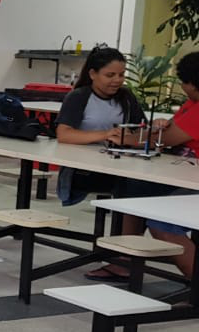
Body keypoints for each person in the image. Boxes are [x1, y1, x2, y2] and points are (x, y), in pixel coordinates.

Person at [53, 47, 157, 281]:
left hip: (120, 164)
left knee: (144, 186)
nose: (117, 80)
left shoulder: (126, 97)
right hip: (84, 170)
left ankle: (126, 253)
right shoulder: (79, 97)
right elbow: (64, 134)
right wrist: (106, 135)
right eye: (110, 75)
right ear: (93, 74)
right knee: (133, 188)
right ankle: (122, 258)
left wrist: (151, 132)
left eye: (121, 75)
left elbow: (139, 131)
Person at [130, 51, 199, 280]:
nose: (182, 87)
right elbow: (167, 130)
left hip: (191, 179)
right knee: (134, 192)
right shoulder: (192, 104)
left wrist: (125, 138)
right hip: (182, 173)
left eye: (184, 82)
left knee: (162, 222)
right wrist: (160, 127)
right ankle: (122, 261)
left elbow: (165, 139)